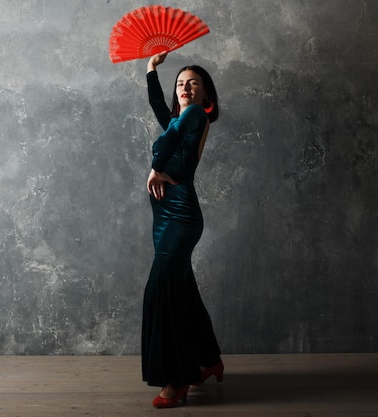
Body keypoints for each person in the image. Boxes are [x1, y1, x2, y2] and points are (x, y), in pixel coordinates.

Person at [142, 51, 224, 409]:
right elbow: (160, 108)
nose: (185, 88)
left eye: (193, 83)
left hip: (179, 216)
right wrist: (150, 71)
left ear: (206, 95)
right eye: (180, 84)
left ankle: (177, 380)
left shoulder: (193, 115)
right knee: (182, 291)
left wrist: (154, 168)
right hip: (165, 219)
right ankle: (207, 360)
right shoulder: (183, 117)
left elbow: (164, 143)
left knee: (163, 288)